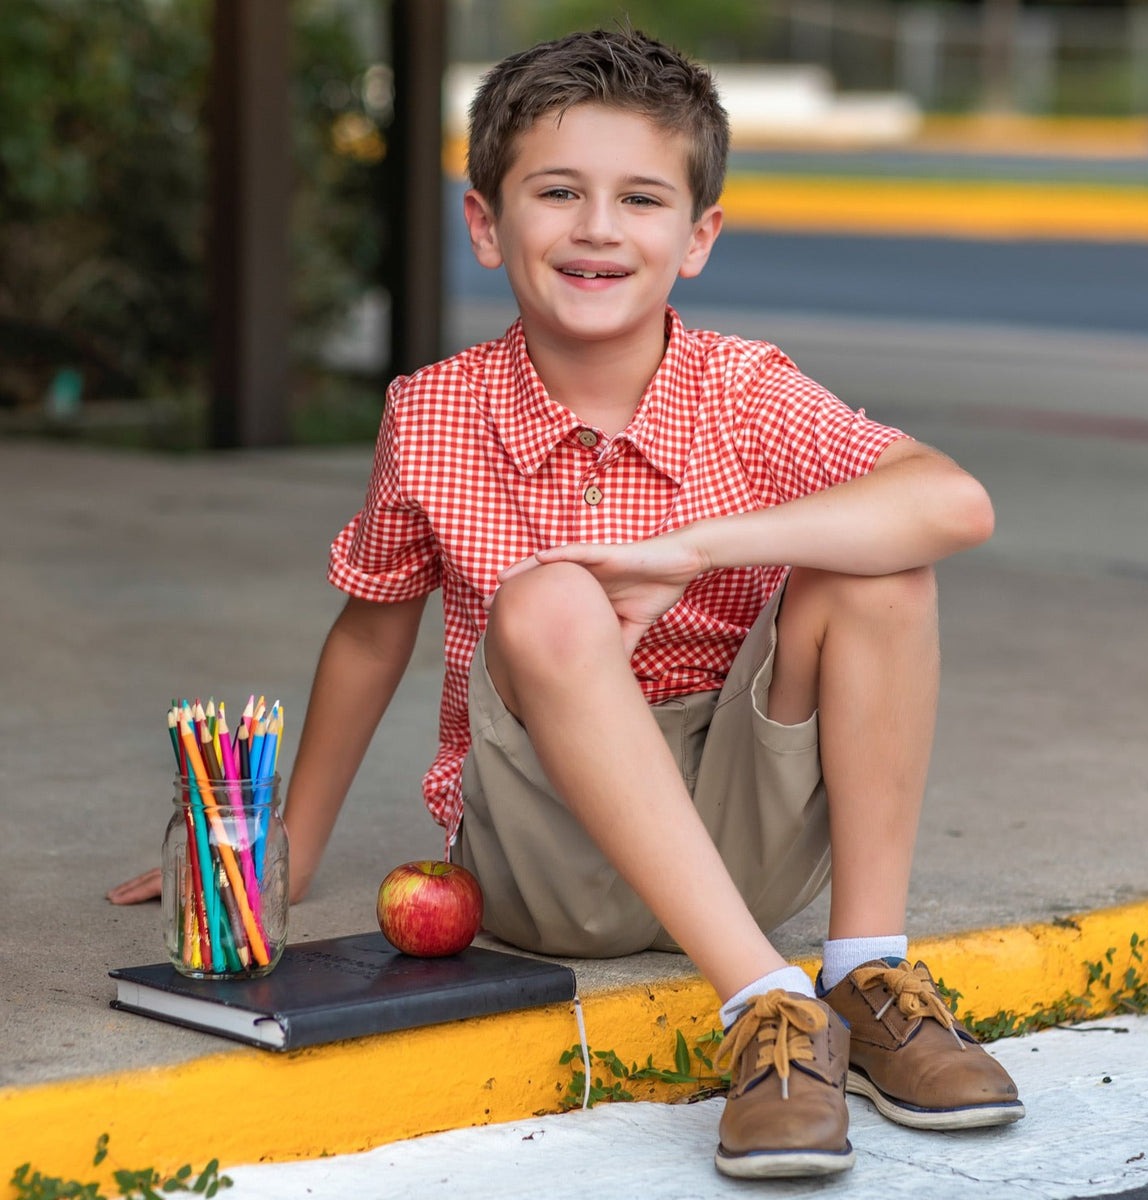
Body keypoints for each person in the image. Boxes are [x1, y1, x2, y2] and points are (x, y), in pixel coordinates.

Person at [111, 27, 1023, 1179]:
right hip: (545, 866)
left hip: (747, 840)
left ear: (697, 239)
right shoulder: (433, 414)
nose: (598, 227)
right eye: (558, 192)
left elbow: (955, 499)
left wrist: (695, 548)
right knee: (548, 602)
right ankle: (765, 1011)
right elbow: (375, 624)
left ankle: (866, 970)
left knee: (881, 557)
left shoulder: (745, 390)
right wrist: (289, 843)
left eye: (641, 198)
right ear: (487, 224)